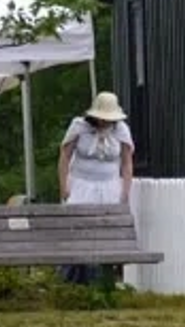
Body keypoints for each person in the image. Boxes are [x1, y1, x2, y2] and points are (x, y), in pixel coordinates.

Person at [56, 91, 135, 284]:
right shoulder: (79, 127)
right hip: (82, 184)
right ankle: (73, 277)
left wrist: (125, 191)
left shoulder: (121, 130)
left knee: (106, 230)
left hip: (108, 186)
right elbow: (65, 156)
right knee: (78, 228)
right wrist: (64, 185)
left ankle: (104, 278)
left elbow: (126, 163)